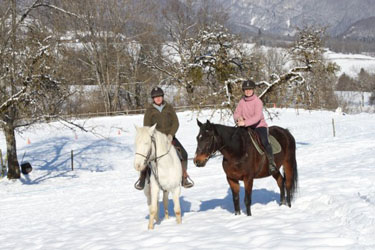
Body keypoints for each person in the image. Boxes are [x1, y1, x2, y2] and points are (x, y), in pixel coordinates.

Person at [134, 87, 194, 190]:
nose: (158, 99)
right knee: (146, 155)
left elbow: (176, 122)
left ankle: (184, 177)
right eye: (155, 97)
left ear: (162, 97)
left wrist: (171, 135)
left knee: (183, 153)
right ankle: (142, 178)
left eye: (159, 96)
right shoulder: (149, 111)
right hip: (156, 140)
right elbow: (147, 127)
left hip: (170, 137)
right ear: (153, 98)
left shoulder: (169, 107)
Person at [233, 80, 278, 175]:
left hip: (259, 126)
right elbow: (236, 113)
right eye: (246, 90)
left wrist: (244, 123)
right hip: (245, 126)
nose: (248, 91)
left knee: (264, 142)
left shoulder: (258, 102)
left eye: (249, 89)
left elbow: (257, 117)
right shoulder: (242, 102)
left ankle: (271, 163)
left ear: (253, 90)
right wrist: (238, 118)